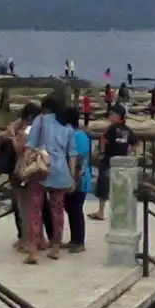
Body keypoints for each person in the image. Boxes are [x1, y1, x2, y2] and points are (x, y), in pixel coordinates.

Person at [22, 96, 76, 263]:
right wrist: (72, 177)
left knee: (35, 210)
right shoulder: (67, 126)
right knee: (58, 210)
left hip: (41, 169)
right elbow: (72, 155)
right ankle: (56, 247)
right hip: (60, 172)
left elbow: (30, 144)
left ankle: (33, 250)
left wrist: (24, 166)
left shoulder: (40, 120)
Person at [0, 102, 40, 251]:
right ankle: (36, 239)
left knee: (23, 207)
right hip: (36, 170)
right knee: (34, 207)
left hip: (23, 170)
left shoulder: (25, 131)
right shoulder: (40, 129)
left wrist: (13, 137)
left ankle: (27, 240)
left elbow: (18, 148)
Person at [90, 105, 136, 220]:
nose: (110, 116)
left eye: (112, 114)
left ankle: (101, 211)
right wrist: (127, 152)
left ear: (118, 116)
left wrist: (101, 153)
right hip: (121, 162)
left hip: (108, 161)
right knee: (120, 188)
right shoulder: (127, 130)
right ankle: (121, 213)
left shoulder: (111, 128)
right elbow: (135, 143)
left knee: (103, 186)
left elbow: (103, 140)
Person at [63, 107, 93, 252]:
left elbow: (78, 160)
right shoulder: (79, 135)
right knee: (70, 208)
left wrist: (73, 180)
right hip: (73, 177)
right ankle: (74, 239)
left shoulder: (77, 136)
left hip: (78, 178)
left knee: (76, 209)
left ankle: (80, 242)